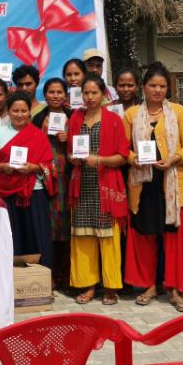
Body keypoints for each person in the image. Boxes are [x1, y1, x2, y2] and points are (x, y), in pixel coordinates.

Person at [123, 61, 183, 313]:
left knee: (173, 239)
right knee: (145, 236)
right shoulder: (132, 114)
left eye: (162, 86)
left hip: (172, 183)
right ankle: (149, 286)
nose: (158, 90)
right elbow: (123, 148)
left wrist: (174, 159)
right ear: (143, 87)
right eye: (153, 85)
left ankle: (174, 289)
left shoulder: (178, 112)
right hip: (143, 184)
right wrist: (135, 159)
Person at [66, 74, 129, 305]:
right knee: (83, 236)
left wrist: (100, 160)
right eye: (86, 93)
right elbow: (70, 152)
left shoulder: (113, 120)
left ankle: (111, 287)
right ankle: (89, 285)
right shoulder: (76, 118)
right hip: (82, 185)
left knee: (108, 238)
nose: (90, 97)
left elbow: (123, 156)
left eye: (94, 92)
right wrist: (73, 158)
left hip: (106, 185)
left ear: (103, 94)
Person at [0, 91, 55, 273]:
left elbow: (50, 165)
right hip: (6, 195)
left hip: (34, 193)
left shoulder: (38, 135)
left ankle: (42, 278)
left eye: (24, 111)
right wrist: (2, 167)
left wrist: (34, 167)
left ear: (29, 112)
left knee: (37, 236)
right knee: (11, 238)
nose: (20, 115)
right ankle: (10, 280)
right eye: (15, 111)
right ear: (8, 111)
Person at [32, 78, 73, 290]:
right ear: (45, 94)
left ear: (66, 95)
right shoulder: (38, 118)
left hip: (69, 176)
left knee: (67, 223)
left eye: (59, 92)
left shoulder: (74, 117)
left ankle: (68, 274)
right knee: (49, 224)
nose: (56, 96)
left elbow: (84, 144)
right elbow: (30, 145)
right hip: (46, 176)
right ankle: (51, 273)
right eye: (51, 92)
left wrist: (70, 138)